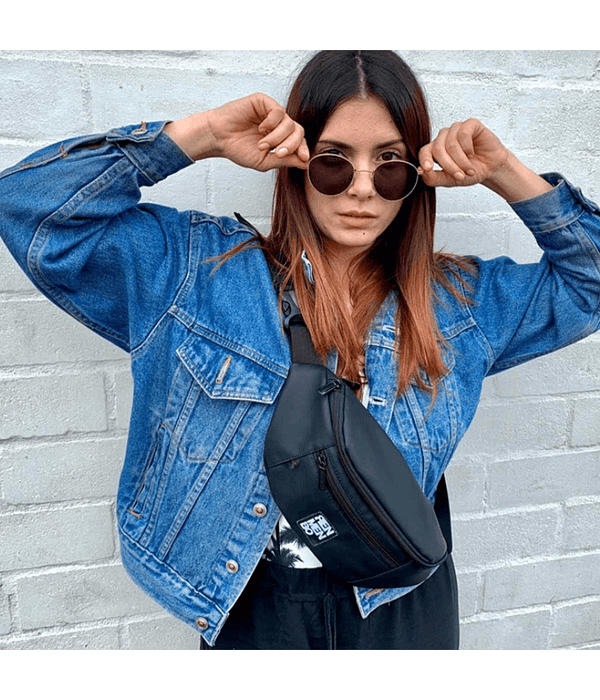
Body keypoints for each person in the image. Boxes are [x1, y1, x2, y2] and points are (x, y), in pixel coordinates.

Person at [0, 50, 599, 650]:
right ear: (299, 160)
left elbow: (590, 282)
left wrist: (504, 172)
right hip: (253, 604)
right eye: (334, 162)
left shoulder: (460, 305)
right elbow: (29, 206)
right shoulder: (197, 275)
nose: (361, 189)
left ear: (416, 176)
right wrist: (202, 136)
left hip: (399, 603)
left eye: (389, 165)